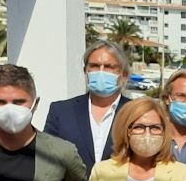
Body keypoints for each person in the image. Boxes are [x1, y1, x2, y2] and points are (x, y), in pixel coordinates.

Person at [44, 43, 131, 173]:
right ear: (86, 70)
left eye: (109, 67)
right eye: (94, 66)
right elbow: (47, 158)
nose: (101, 71)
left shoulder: (136, 113)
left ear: (123, 74)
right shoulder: (61, 111)